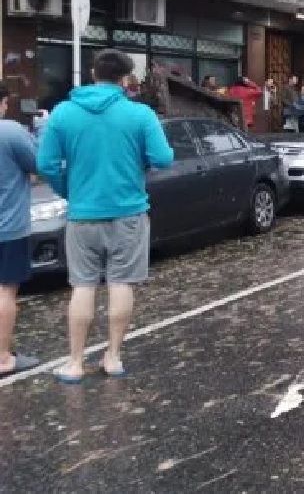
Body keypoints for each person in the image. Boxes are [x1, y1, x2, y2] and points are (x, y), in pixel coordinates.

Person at [37, 49, 174, 383]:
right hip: (129, 213)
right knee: (120, 283)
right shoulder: (140, 115)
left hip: (83, 214)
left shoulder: (63, 113)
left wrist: (69, 189)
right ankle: (112, 357)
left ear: (93, 73)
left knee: (82, 286)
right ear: (126, 79)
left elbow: (45, 165)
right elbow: (163, 158)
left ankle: (74, 363)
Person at [0, 85, 40, 376]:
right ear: (3, 102)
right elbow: (39, 165)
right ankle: (3, 358)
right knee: (5, 292)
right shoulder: (11, 132)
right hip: (8, 228)